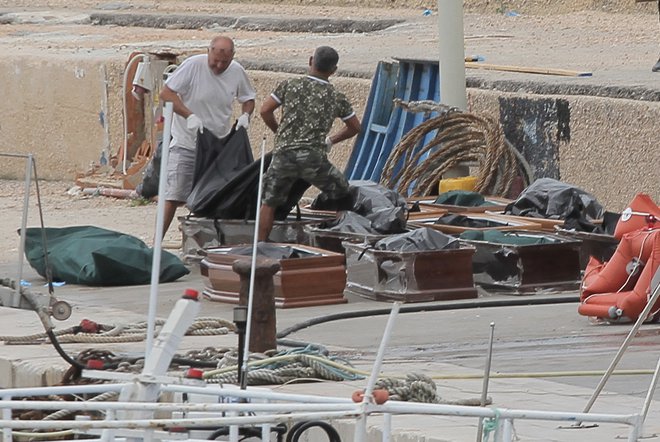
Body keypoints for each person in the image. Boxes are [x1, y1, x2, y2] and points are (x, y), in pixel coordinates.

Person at [257, 46, 361, 242]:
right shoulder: (336, 96)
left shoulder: (290, 84)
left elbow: (265, 111)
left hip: (284, 155)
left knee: (269, 202)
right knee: (342, 193)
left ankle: (261, 245)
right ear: (334, 70)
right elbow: (355, 127)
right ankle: (342, 240)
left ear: (310, 60)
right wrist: (331, 140)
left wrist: (279, 133)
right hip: (313, 158)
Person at [159, 35, 256, 238]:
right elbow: (167, 93)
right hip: (187, 142)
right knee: (174, 195)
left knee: (211, 196)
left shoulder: (237, 71)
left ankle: (202, 240)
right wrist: (189, 115)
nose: (220, 66)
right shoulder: (193, 66)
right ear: (208, 51)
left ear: (232, 57)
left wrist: (246, 115)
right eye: (216, 61)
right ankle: (156, 243)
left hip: (218, 147)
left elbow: (248, 98)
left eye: (225, 62)